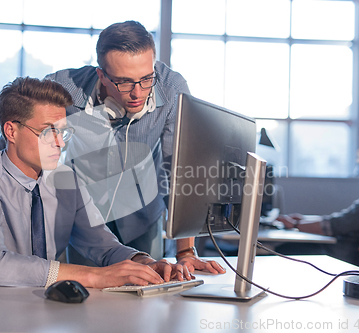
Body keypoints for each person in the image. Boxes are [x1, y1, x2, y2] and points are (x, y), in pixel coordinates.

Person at [0, 77, 193, 288]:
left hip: (38, 308)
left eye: (62, 131)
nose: (60, 143)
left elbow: (103, 245)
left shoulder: (66, 180)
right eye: (47, 131)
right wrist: (93, 276)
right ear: (11, 131)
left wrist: (145, 263)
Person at [45, 20, 225, 274]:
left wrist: (185, 251)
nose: (138, 93)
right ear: (102, 76)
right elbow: (26, 147)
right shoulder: (64, 88)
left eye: (146, 78)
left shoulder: (171, 90)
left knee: (148, 294)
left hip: (143, 214)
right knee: (86, 300)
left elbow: (181, 168)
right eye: (124, 82)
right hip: (85, 219)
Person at [276, 142, 359, 266]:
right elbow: (341, 221)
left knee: (280, 248)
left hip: (341, 257)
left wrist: (294, 225)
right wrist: (305, 220)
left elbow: (332, 226)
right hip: (354, 257)